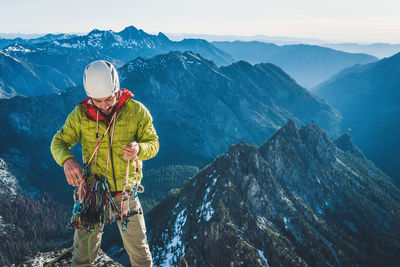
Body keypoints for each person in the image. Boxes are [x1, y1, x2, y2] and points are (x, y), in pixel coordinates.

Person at [50, 60, 159, 267]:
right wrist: (67, 160)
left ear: (117, 90)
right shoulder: (81, 115)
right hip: (93, 193)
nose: (105, 106)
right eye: (97, 101)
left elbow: (153, 143)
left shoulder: (136, 112)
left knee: (139, 252)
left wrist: (139, 150)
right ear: (90, 97)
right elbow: (59, 141)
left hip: (126, 194)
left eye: (109, 99)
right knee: (83, 253)